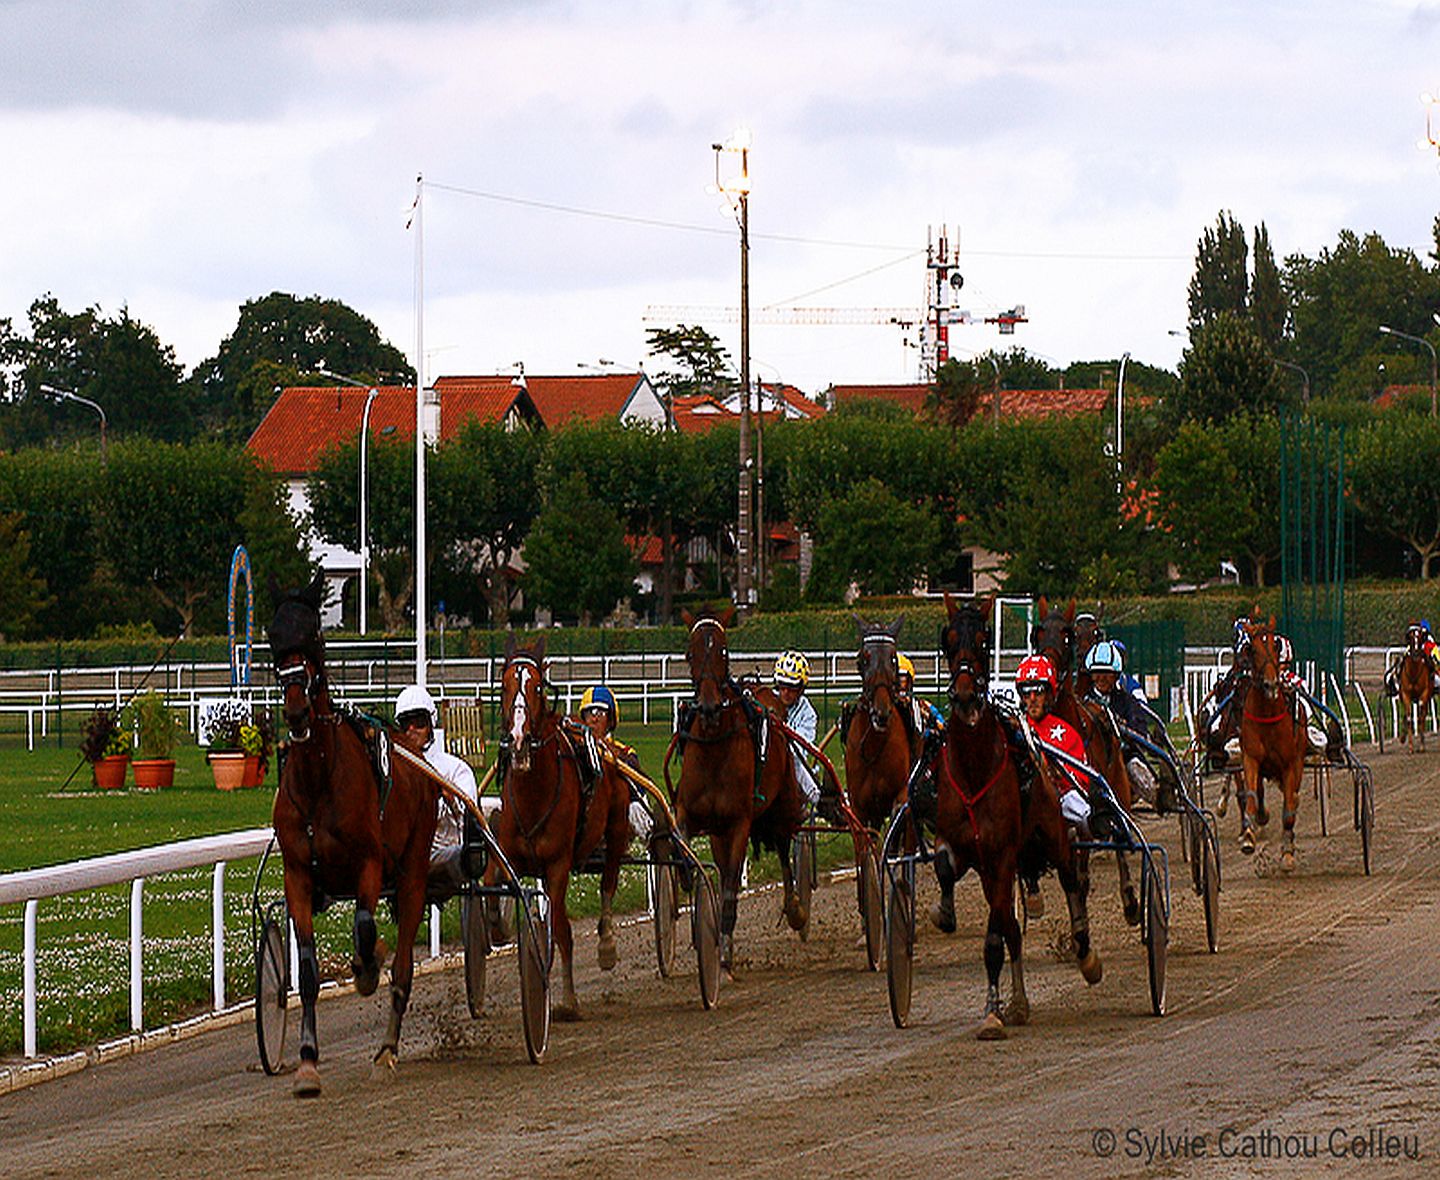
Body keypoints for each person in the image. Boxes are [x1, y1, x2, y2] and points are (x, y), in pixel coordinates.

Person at [395, 685, 480, 901]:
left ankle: (481, 933)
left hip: (447, 854)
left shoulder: (455, 769)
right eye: (406, 723)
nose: (412, 729)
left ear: (431, 723)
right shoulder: (395, 772)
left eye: (419, 722)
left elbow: (468, 818)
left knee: (469, 860)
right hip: (404, 859)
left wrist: (448, 798)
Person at [1084, 640, 1169, 810]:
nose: (1101, 678)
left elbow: (1140, 729)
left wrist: (1124, 731)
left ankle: (1158, 797)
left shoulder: (1127, 701)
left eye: (1107, 673)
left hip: (1125, 755)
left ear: (1116, 675)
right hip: (1089, 758)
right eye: (1097, 673)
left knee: (1135, 769)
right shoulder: (1083, 703)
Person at [578, 684, 654, 842]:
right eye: (589, 713)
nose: (594, 718)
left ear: (611, 719)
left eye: (600, 712)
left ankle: (651, 838)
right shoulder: (575, 751)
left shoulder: (626, 754)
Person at [897, 654, 945, 744]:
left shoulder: (922, 705)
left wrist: (932, 726)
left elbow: (942, 725)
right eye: (896, 677)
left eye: (901, 676)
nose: (899, 681)